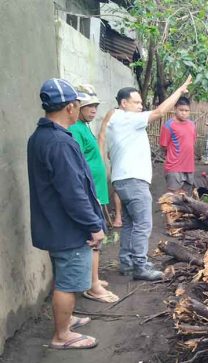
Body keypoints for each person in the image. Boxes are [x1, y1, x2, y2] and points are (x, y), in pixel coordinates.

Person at [28, 78, 105, 349]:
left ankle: (66, 319)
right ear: (71, 107)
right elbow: (73, 193)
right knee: (69, 283)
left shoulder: (41, 136)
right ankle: (62, 336)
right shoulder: (59, 142)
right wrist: (94, 226)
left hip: (53, 224)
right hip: (68, 228)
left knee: (64, 276)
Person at [107, 75, 192, 281]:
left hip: (121, 180)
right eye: (136, 102)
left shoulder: (114, 121)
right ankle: (140, 265)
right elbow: (160, 112)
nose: (140, 106)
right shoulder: (127, 118)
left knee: (130, 223)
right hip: (134, 180)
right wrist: (179, 91)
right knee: (144, 223)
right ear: (123, 103)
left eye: (141, 103)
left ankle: (127, 262)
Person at [68, 84, 119, 304]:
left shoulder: (84, 126)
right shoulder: (75, 130)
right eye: (89, 106)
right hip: (90, 194)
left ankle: (93, 279)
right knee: (94, 239)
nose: (93, 110)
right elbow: (76, 163)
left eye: (96, 106)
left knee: (96, 240)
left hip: (96, 192)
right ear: (77, 107)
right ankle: (93, 285)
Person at [159, 96, 197, 194]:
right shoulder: (168, 125)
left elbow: (192, 143)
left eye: (186, 110)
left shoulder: (192, 125)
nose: (184, 113)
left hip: (189, 166)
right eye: (181, 110)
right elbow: (164, 146)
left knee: (186, 198)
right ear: (175, 109)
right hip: (174, 167)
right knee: (172, 197)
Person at [97, 110, 124, 228]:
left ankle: (122, 216)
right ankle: (118, 216)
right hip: (118, 163)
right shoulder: (112, 126)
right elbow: (107, 150)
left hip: (132, 166)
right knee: (117, 189)